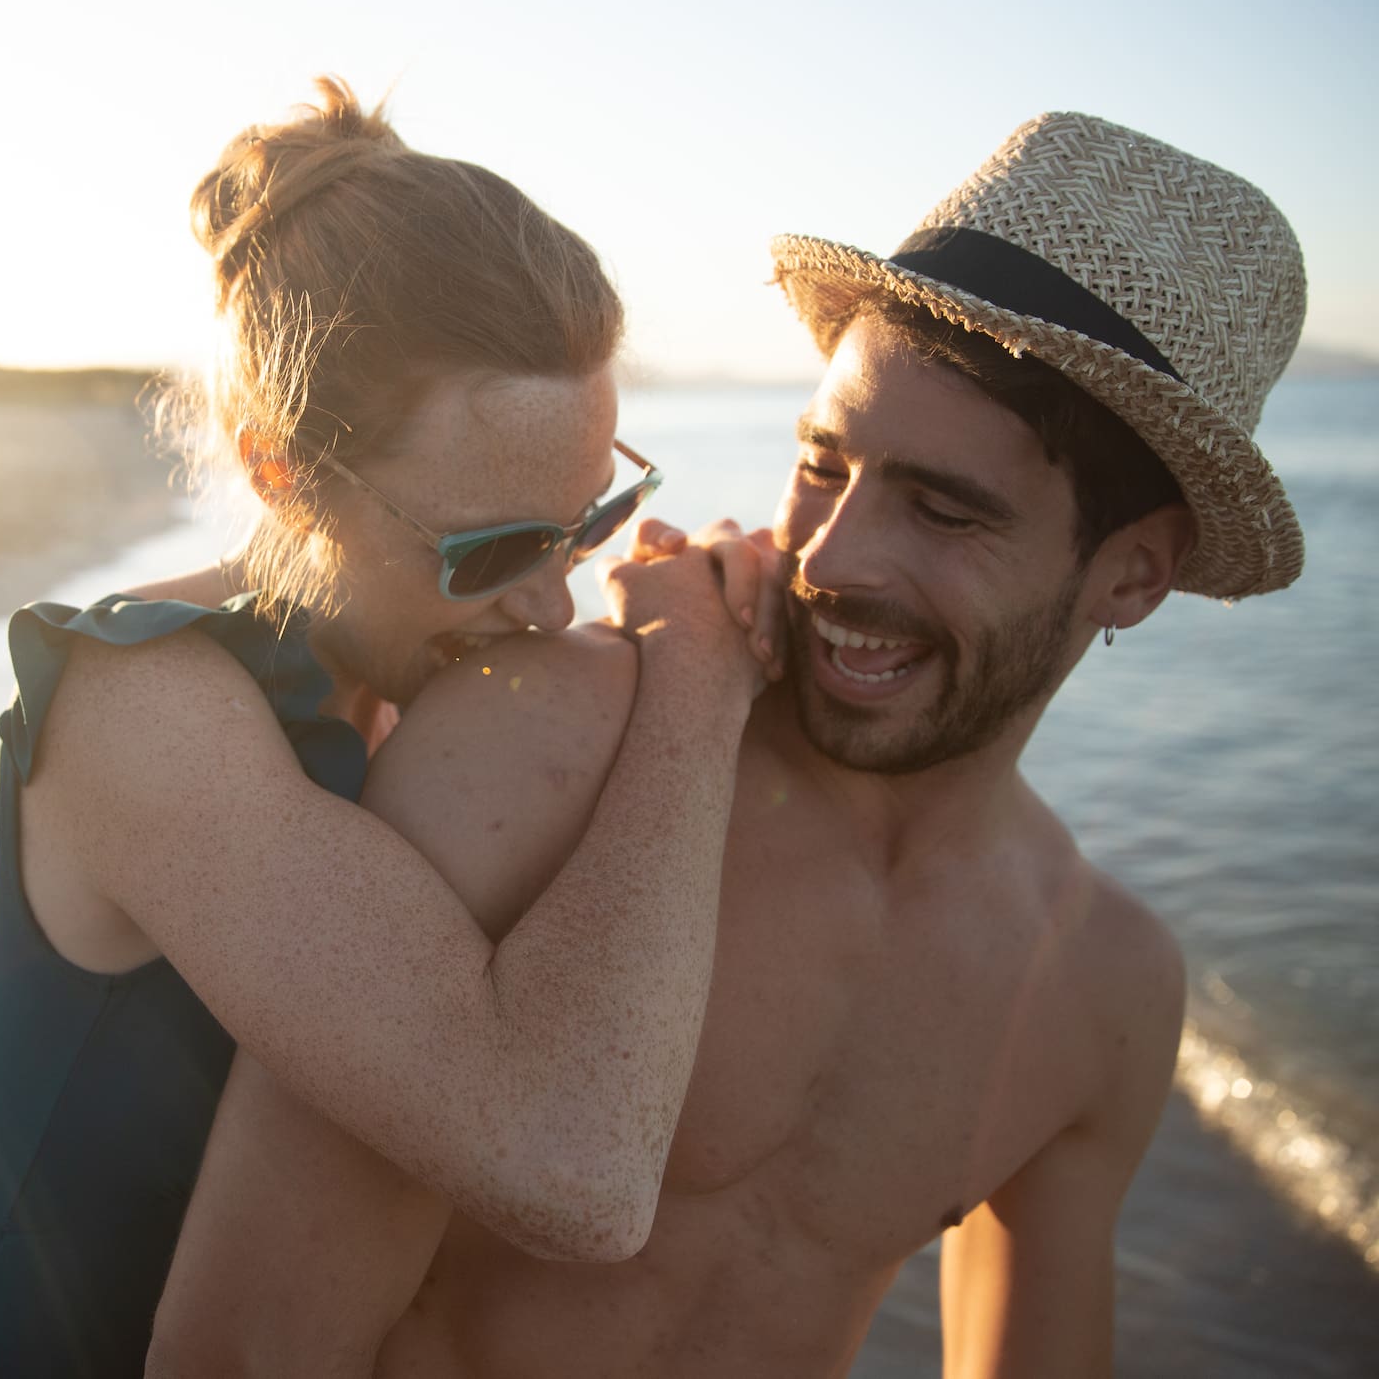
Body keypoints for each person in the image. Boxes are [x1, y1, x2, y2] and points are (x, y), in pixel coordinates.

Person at [149, 112, 1307, 1377]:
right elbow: (245, 1346)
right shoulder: (547, 743)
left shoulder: (1103, 988)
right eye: (821, 462)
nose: (832, 555)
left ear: (1131, 574)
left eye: (942, 510)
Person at [0, 79, 772, 1377]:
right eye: (490, 548)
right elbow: (574, 1171)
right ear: (278, 468)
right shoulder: (143, 703)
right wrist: (698, 689)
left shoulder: (414, 687)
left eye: (591, 519)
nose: (551, 603)